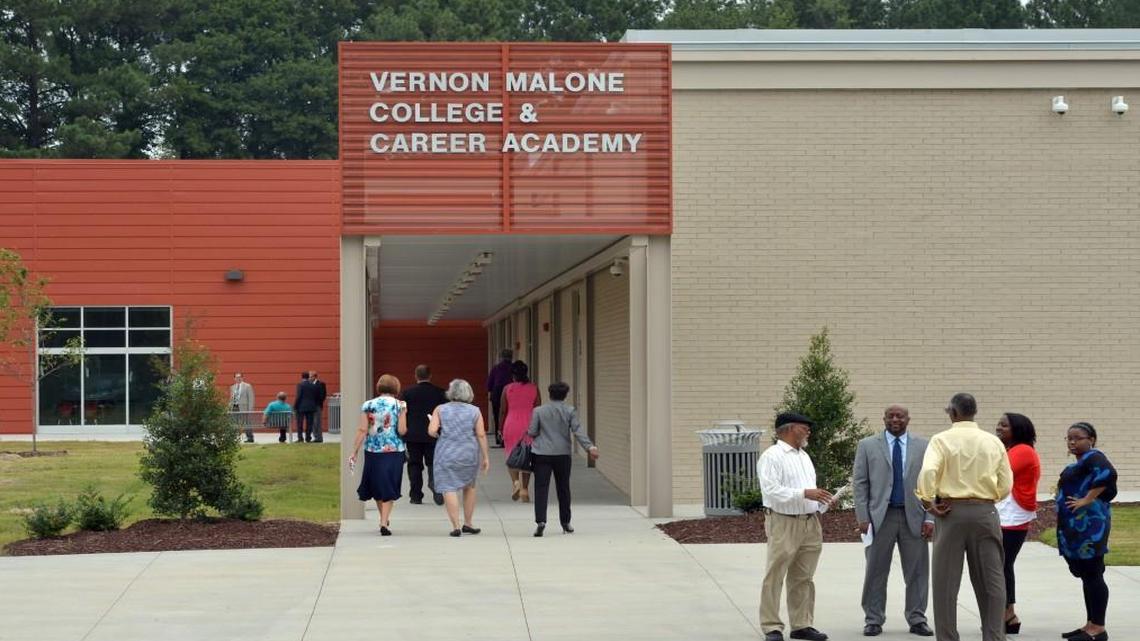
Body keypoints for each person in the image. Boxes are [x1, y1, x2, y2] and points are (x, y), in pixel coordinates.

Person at [915, 393, 1012, 641]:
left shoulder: (941, 440)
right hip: (985, 511)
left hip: (951, 512)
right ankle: (994, 636)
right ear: (974, 412)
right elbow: (1006, 482)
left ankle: (948, 637)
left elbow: (928, 471)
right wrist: (990, 499)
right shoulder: (993, 441)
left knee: (945, 582)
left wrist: (928, 501)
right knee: (992, 580)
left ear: (953, 413)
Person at [852, 405, 934, 637]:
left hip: (914, 517)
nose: (895, 419)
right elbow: (860, 483)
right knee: (876, 570)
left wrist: (930, 517)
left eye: (900, 416)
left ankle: (917, 618)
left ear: (909, 419)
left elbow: (931, 483)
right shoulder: (867, 445)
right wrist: (862, 517)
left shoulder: (924, 446)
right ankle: (873, 619)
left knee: (918, 571)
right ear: (884, 419)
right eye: (891, 416)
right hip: (880, 518)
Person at [757, 412, 835, 641]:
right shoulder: (772, 456)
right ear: (789, 429)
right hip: (783, 522)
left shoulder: (804, 456)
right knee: (775, 574)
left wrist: (822, 500)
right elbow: (770, 490)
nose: (809, 431)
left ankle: (801, 624)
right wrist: (804, 493)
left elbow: (807, 489)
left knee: (804, 576)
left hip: (811, 522)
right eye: (805, 427)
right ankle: (771, 626)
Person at [1056, 422, 1117, 641]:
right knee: (1087, 576)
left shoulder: (1094, 457)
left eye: (1077, 438)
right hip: (1076, 529)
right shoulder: (1083, 461)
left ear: (1090, 438)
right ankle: (1090, 624)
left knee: (1093, 575)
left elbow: (1108, 474)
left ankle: (1098, 628)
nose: (1072, 442)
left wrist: (1086, 500)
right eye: (1069, 438)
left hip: (1091, 528)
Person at [526, 381, 599, 537]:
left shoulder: (538, 411)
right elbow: (577, 430)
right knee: (563, 488)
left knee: (541, 487)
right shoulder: (570, 410)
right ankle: (566, 522)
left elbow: (531, 432)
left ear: (549, 393)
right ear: (565, 395)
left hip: (541, 454)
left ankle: (541, 521)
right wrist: (590, 447)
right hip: (562, 454)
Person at [994, 412, 1041, 635]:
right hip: (1005, 513)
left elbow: (996, 474)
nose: (999, 427)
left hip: (1013, 515)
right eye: (999, 424)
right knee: (1002, 564)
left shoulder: (1022, 451)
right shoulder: (1010, 450)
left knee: (1003, 564)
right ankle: (1006, 614)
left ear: (1018, 429)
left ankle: (1008, 613)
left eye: (1005, 425)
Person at [428, 378, 490, 537]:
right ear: (468, 393)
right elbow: (481, 434)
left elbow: (432, 430)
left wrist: (438, 430)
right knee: (469, 487)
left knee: (448, 488)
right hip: (468, 453)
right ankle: (468, 523)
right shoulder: (475, 411)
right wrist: (485, 456)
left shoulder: (440, 409)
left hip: (446, 453)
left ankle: (455, 526)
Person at [348, 374, 408, 535]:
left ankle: (383, 519)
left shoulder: (368, 405)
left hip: (373, 451)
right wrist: (403, 414)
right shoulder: (400, 404)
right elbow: (402, 430)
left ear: (379, 386)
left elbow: (362, 429)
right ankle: (384, 522)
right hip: (394, 451)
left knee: (377, 485)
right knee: (389, 485)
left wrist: (354, 451)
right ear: (396, 387)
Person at [401, 364, 448, 505]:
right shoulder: (440, 392)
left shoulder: (407, 393)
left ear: (416, 376)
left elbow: (403, 413)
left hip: (413, 435)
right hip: (433, 434)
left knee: (414, 464)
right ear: (430, 375)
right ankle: (436, 486)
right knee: (434, 462)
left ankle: (415, 495)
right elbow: (444, 414)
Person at [500, 360, 540, 502]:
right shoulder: (534, 388)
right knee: (527, 456)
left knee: (511, 454)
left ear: (513, 375)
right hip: (529, 425)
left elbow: (503, 410)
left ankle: (515, 482)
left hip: (511, 424)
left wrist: (500, 427)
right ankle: (524, 489)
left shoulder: (507, 389)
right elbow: (538, 409)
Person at [486, 348, 513, 447]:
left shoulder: (496, 368)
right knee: (511, 416)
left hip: (497, 394)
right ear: (511, 357)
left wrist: (491, 392)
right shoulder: (514, 368)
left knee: (498, 417)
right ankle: (511, 438)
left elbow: (489, 384)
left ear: (501, 357)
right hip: (511, 394)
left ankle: (500, 439)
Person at [229, 373, 255, 443]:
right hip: (234, 407)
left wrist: (250, 409)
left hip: (244, 408)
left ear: (242, 378)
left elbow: (251, 398)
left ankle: (250, 438)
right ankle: (233, 438)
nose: (238, 378)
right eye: (237, 377)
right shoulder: (232, 387)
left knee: (246, 423)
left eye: (240, 377)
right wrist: (229, 407)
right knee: (234, 423)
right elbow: (231, 399)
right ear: (234, 378)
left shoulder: (247, 386)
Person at [294, 371, 320, 443]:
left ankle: (300, 438)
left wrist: (295, 406)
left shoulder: (300, 385)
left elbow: (298, 396)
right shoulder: (313, 385)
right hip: (311, 407)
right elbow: (316, 396)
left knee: (300, 423)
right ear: (308, 377)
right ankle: (308, 438)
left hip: (301, 407)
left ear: (302, 377)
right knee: (309, 423)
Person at [309, 370, 327, 443]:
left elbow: (323, 395)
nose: (309, 378)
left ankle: (319, 438)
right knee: (313, 422)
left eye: (310, 377)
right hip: (311, 406)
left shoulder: (321, 384)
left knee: (317, 422)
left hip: (317, 406)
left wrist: (318, 403)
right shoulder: (309, 384)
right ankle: (316, 437)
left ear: (314, 376)